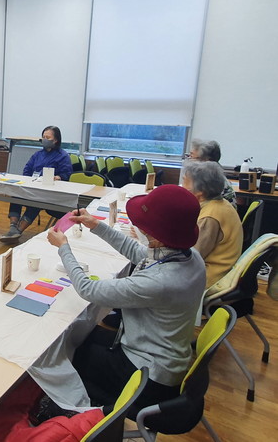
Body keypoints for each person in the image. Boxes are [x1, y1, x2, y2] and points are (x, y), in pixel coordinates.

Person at [46, 185, 205, 430]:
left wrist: (63, 248)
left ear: (157, 238)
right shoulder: (191, 257)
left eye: (144, 227)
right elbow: (138, 253)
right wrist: (96, 225)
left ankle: (67, 415)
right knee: (78, 335)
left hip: (148, 377)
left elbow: (88, 290)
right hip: (162, 357)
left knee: (61, 356)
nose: (140, 228)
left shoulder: (160, 282)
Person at [0, 126, 73, 243]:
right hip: (34, 186)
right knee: (16, 194)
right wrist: (29, 180)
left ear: (55, 140)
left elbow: (66, 174)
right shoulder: (38, 154)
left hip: (49, 192)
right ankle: (13, 227)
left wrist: (58, 177)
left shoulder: (63, 156)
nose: (45, 139)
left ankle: (18, 230)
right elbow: (27, 169)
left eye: (48, 137)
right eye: (43, 137)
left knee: (36, 201)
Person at [182, 160, 242, 290]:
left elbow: (191, 256)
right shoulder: (221, 204)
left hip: (209, 278)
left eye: (185, 182)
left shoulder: (210, 217)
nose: (182, 187)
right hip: (218, 271)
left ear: (200, 192)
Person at [187, 138, 237, 208]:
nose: (189, 161)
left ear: (207, 161)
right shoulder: (211, 176)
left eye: (192, 157)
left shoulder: (211, 182)